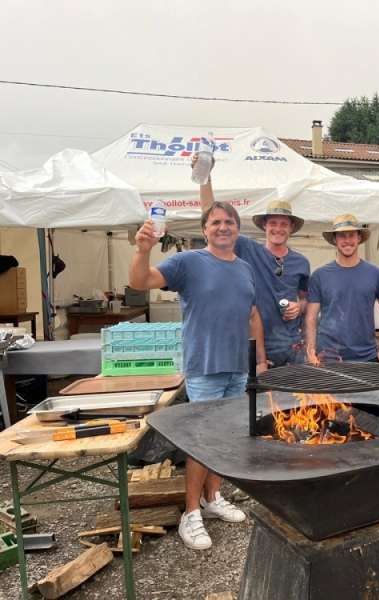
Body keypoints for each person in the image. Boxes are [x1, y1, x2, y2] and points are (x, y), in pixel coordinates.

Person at [129, 201, 267, 551]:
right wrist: (143, 250)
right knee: (201, 441)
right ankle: (190, 513)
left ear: (238, 229)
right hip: (205, 364)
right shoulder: (188, 262)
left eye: (229, 222)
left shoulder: (245, 268)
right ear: (205, 229)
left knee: (226, 437)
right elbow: (140, 281)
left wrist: (259, 359)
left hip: (237, 365)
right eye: (216, 222)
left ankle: (213, 496)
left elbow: (251, 315)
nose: (223, 227)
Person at [195, 155, 311, 368]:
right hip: (256, 346)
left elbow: (306, 300)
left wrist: (299, 306)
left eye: (284, 224)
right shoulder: (248, 249)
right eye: (273, 223)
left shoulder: (301, 262)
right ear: (264, 225)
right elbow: (211, 216)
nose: (278, 229)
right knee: (258, 402)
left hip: (291, 347)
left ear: (291, 228)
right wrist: (206, 175)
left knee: (294, 402)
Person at [306, 214, 379, 364]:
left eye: (352, 235)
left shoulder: (376, 274)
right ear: (334, 239)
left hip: (367, 357)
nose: (347, 241)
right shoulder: (319, 276)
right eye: (342, 236)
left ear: (359, 238)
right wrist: (311, 350)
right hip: (328, 357)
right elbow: (311, 318)